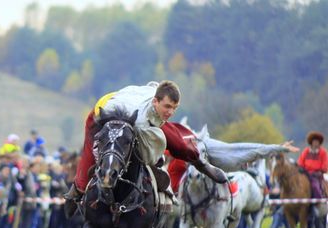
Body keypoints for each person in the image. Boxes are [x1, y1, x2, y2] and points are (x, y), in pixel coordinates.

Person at [64, 80, 228, 216]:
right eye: (167, 107)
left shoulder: (155, 97)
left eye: (174, 108)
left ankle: (201, 164)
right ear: (155, 101)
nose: (171, 112)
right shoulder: (141, 121)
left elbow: (155, 90)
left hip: (132, 108)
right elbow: (148, 155)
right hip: (103, 114)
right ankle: (77, 190)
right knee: (91, 157)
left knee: (175, 140)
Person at [297, 131, 328, 199]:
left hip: (316, 176)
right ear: (311, 142)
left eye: (317, 142)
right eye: (314, 141)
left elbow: (325, 166)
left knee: (315, 187)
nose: (316, 143)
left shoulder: (323, 152)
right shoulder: (306, 151)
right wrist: (301, 169)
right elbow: (300, 162)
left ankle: (318, 202)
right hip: (305, 174)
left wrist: (320, 171)